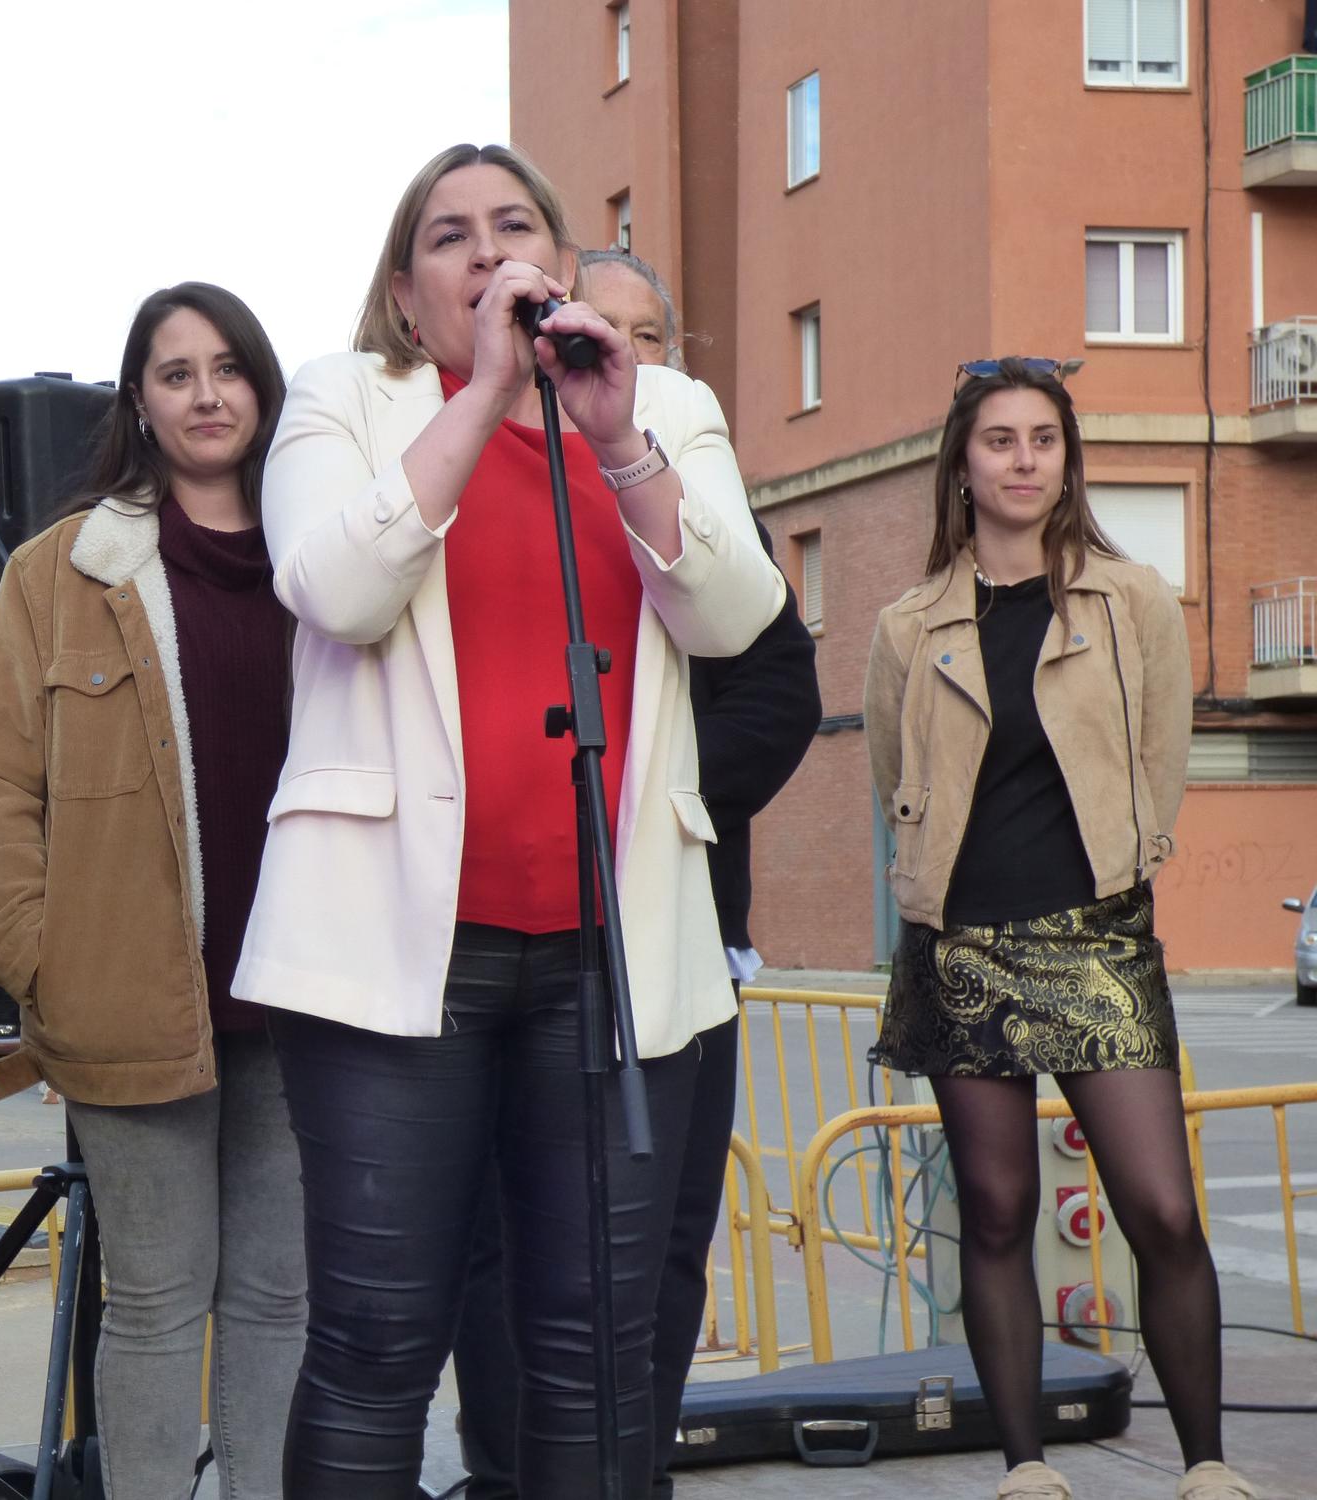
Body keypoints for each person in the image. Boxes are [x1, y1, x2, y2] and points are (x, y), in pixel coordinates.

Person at [231, 144, 784, 1497]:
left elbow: (733, 615)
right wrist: (483, 395)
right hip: (388, 965)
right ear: (409, 295)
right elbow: (338, 589)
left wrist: (617, 439)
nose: (486, 252)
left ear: (560, 260)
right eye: (449, 236)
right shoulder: (342, 402)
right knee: (375, 1342)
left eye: (514, 225)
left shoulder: (662, 407)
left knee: (597, 1347)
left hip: (610, 956)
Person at [447, 248, 822, 1500]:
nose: (616, 348)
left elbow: (777, 698)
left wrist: (644, 805)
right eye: (587, 322)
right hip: (514, 942)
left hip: (675, 930)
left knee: (659, 1245)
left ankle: (631, 1471)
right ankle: (510, 1474)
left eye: (646, 332)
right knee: (506, 1247)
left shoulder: (703, 515)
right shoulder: (485, 480)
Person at [0, 282, 305, 1500]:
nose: (206, 394)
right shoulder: (61, 572)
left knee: (278, 1298)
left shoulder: (327, 558)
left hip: (310, 991)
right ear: (138, 404)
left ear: (262, 386)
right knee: (153, 1304)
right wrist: (35, 953)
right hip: (130, 1001)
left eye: (227, 368)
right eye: (174, 373)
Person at [864, 358, 1251, 1500]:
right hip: (963, 948)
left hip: (1095, 937)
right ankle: (1024, 1465)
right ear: (964, 464)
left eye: (1042, 439)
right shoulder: (905, 626)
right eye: (999, 440)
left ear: (1065, 459)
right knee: (993, 1209)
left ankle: (1205, 1464)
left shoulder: (1128, 602)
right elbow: (899, 776)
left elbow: (1157, 759)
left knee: (1161, 1208)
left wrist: (1128, 861)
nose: (1023, 459)